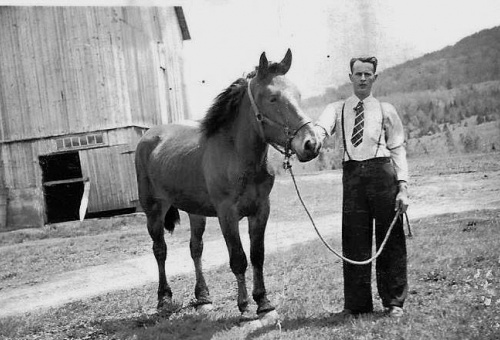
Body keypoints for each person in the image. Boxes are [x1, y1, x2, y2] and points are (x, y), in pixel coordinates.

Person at [314, 56, 409, 319]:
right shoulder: (337, 108)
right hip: (353, 175)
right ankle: (357, 304)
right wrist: (311, 141)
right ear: (351, 77)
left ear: (375, 78)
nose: (363, 78)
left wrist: (402, 187)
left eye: (368, 74)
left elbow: (398, 148)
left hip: (383, 174)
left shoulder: (386, 109)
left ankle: (394, 302)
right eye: (359, 74)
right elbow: (320, 130)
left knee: (390, 239)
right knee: (354, 239)